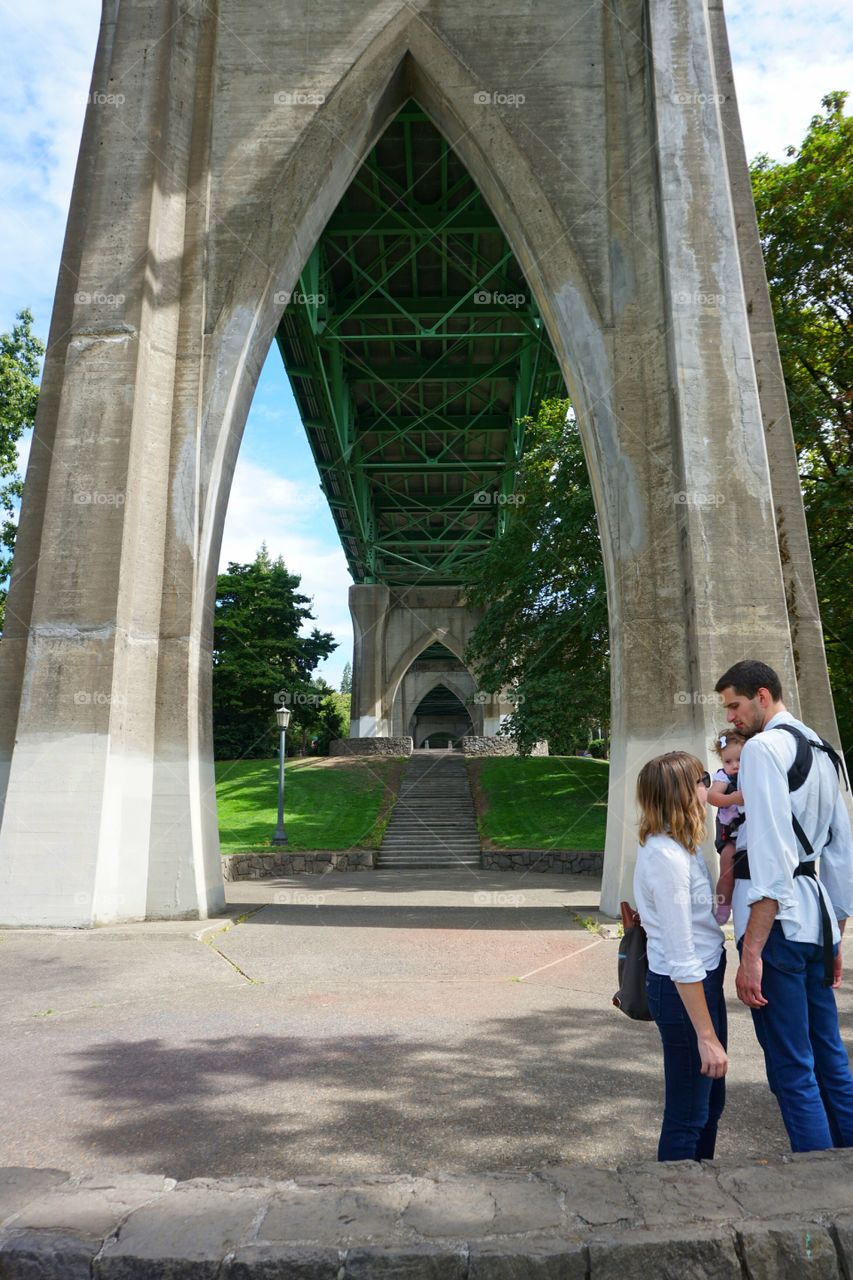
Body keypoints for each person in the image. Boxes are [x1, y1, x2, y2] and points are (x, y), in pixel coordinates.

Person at [715, 658, 853, 1151]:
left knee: (792, 1065)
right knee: (829, 1054)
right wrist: (835, 930)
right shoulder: (824, 749)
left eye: (735, 705)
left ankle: (816, 1185)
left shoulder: (763, 750)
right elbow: (841, 850)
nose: (731, 718)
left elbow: (772, 854)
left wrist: (750, 952)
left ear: (763, 696)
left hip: (776, 922)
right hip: (814, 918)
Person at [634, 752, 728, 1161]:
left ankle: (702, 1192)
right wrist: (706, 1037)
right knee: (688, 1114)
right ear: (684, 792)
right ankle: (676, 1209)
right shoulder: (666, 858)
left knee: (709, 1106)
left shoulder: (681, 847)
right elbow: (680, 954)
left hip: (702, 982)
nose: (710, 785)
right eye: (704, 778)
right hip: (683, 990)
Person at [707, 731, 746, 924]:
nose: (735, 765)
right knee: (727, 869)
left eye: (739, 759)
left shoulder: (754, 772)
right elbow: (712, 796)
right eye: (728, 761)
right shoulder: (723, 778)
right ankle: (723, 908)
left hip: (750, 834)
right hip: (730, 833)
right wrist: (733, 798)